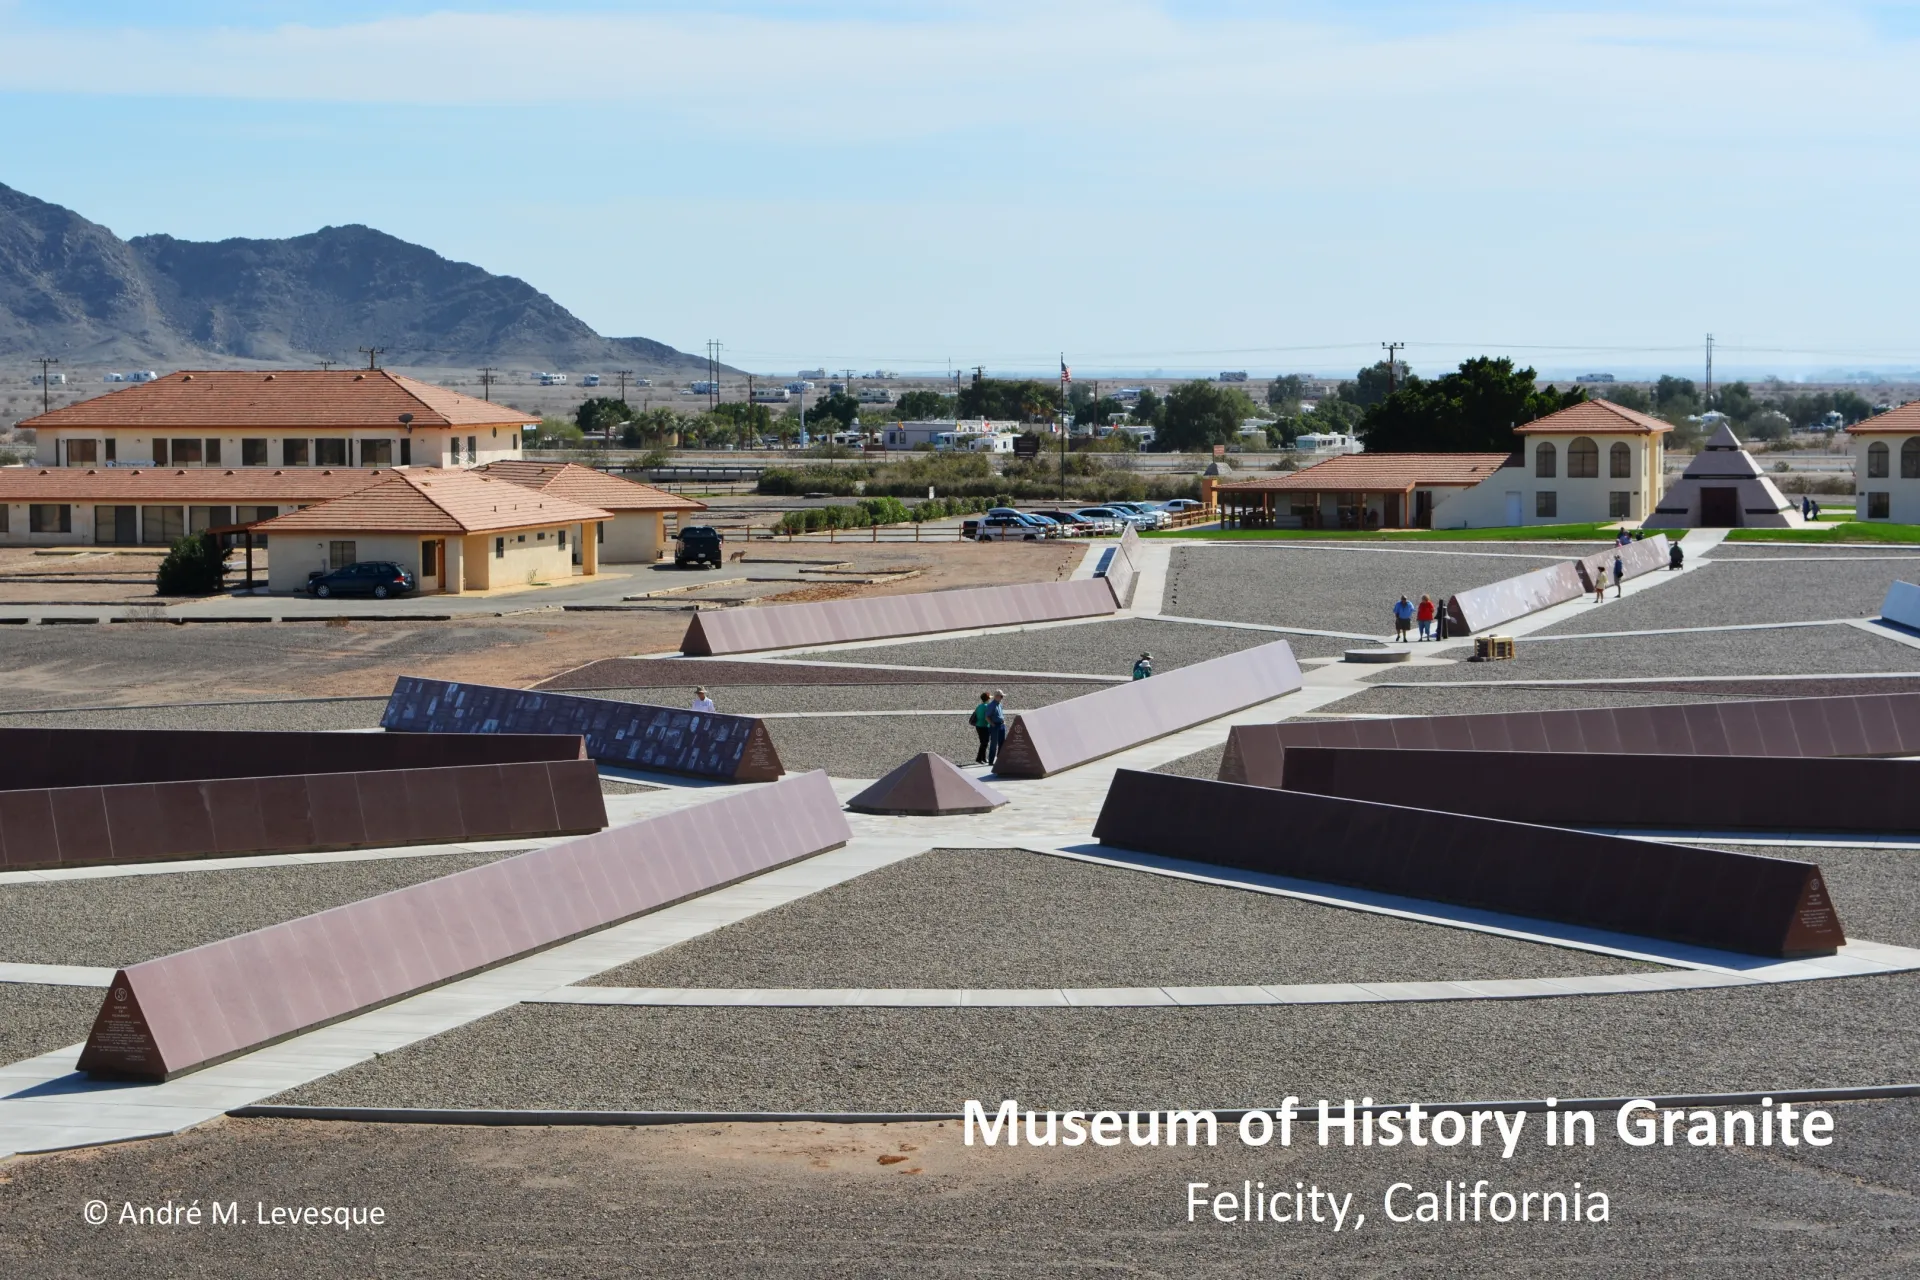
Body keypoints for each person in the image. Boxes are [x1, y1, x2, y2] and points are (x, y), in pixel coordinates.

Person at [969, 692, 994, 764]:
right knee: (984, 743)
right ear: (988, 699)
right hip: (985, 726)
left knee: (983, 742)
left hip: (978, 726)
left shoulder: (979, 706)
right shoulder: (988, 706)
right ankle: (979, 758)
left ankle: (983, 758)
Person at [985, 690, 1007, 766]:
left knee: (1002, 743)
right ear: (997, 696)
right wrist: (992, 724)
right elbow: (987, 717)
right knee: (994, 744)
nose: (1002, 698)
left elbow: (1001, 715)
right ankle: (991, 761)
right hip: (995, 726)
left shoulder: (1000, 704)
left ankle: (999, 760)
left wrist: (1003, 721)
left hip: (1001, 725)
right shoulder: (991, 705)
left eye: (1002, 696)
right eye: (1001, 696)